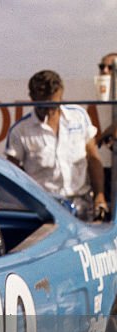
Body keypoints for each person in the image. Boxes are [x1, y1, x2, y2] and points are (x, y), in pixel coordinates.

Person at [6, 70, 109, 221]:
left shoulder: (79, 117)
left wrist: (99, 196)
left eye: (54, 105)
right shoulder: (20, 131)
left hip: (83, 208)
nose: (50, 111)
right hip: (45, 212)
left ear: (61, 95)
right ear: (32, 98)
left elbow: (93, 158)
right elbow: (12, 173)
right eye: (44, 106)